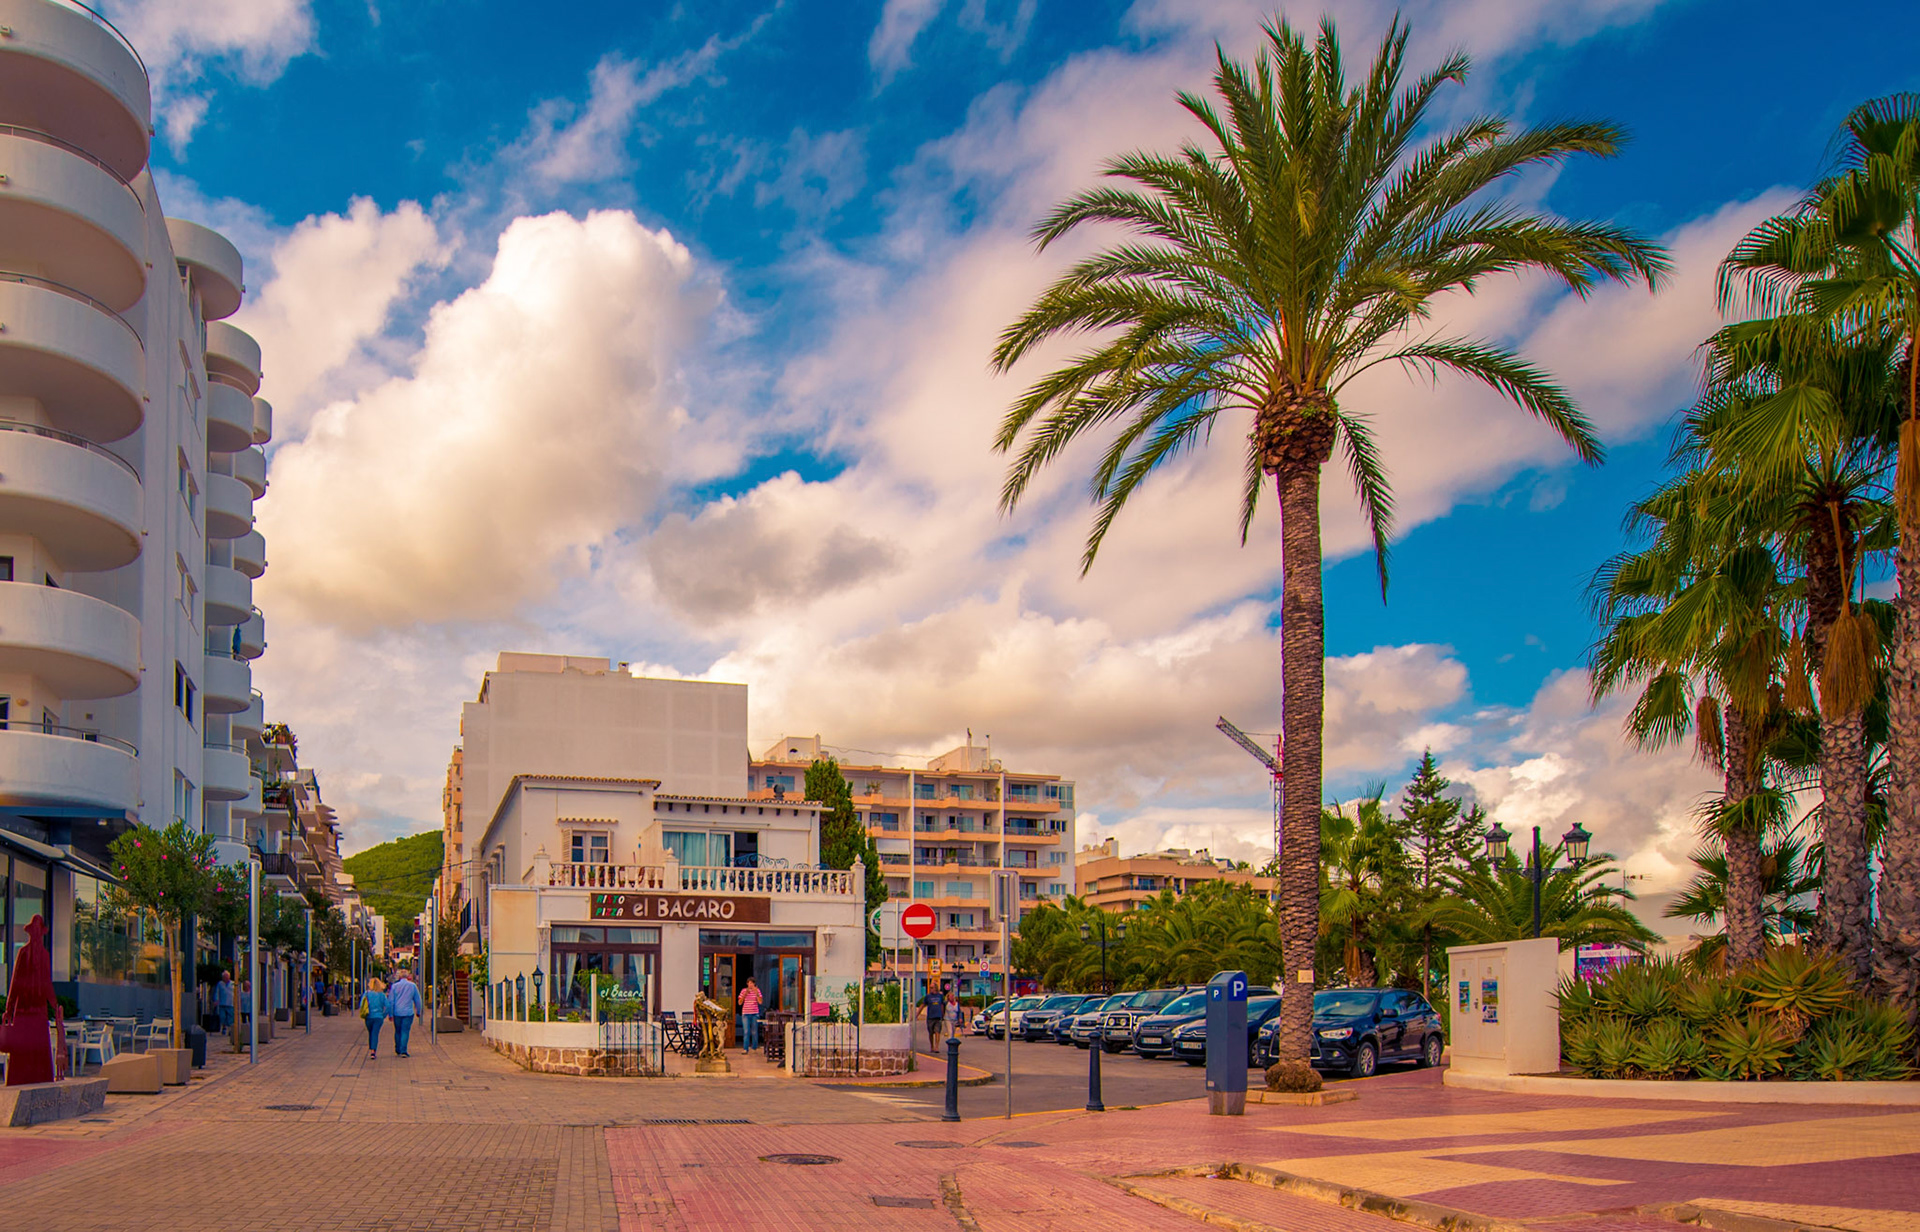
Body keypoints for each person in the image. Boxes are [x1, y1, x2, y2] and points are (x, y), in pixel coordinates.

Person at [386, 968, 422, 1057]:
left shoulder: (394, 986)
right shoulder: (412, 986)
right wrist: (419, 1010)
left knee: (397, 1031)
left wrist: (390, 1014)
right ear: (408, 976)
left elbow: (391, 1001)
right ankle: (403, 1050)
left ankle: (398, 1048)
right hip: (408, 1012)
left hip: (397, 1012)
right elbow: (418, 1000)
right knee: (405, 1031)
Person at [360, 977, 389, 1059]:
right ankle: (373, 1050)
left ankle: (372, 1048)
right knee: (375, 1033)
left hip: (368, 1017)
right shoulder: (382, 995)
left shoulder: (367, 993)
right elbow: (388, 1006)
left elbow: (361, 1004)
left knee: (371, 1033)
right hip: (378, 1017)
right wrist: (384, 1015)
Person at [736, 977, 763, 1053]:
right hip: (746, 1013)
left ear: (754, 984)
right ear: (747, 984)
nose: (750, 985)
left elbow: (760, 1002)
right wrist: (745, 994)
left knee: (754, 1031)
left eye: (752, 983)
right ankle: (745, 1048)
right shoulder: (743, 991)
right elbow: (739, 1002)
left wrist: (757, 993)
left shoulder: (757, 991)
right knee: (746, 1031)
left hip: (754, 1013)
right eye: (749, 983)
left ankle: (754, 1047)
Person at [923, 982, 947, 1050]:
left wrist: (942, 1014)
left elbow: (942, 1005)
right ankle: (932, 1046)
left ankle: (937, 1046)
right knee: (931, 1033)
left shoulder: (940, 996)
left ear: (936, 988)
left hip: (938, 1016)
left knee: (937, 1031)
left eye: (931, 988)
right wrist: (917, 1014)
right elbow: (923, 1005)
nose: (930, 989)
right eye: (930, 988)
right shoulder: (928, 996)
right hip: (930, 1017)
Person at [214, 970, 234, 1035]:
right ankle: (224, 1028)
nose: (225, 978)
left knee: (230, 1018)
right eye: (224, 977)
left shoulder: (233, 984)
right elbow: (217, 992)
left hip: (231, 1003)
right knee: (222, 1017)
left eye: (226, 977)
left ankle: (230, 1029)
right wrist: (216, 1000)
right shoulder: (220, 984)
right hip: (222, 1003)